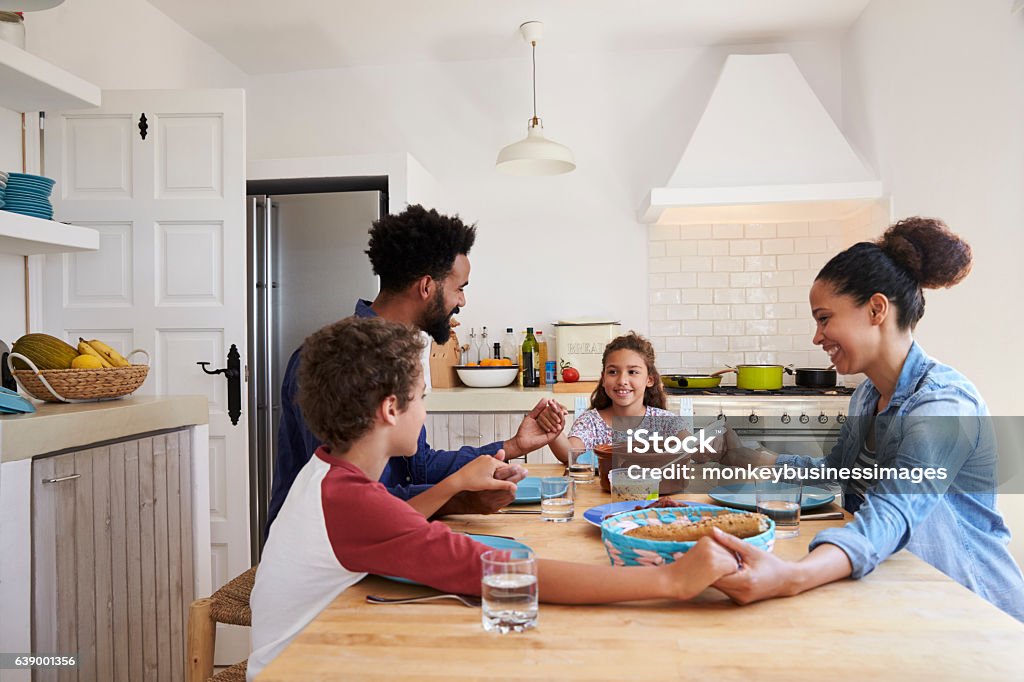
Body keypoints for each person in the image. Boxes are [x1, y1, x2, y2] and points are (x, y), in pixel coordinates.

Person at [247, 317, 740, 680]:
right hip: (302, 666)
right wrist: (669, 578)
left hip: (320, 655)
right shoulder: (352, 501)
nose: (425, 409)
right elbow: (499, 568)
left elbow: (390, 523)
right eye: (423, 397)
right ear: (391, 408)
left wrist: (457, 486)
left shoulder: (327, 470)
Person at [702, 217, 1024, 621]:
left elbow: (894, 509)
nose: (817, 337)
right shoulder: (867, 395)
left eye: (824, 318)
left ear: (876, 309)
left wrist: (792, 576)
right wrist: (762, 462)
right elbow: (842, 474)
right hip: (902, 592)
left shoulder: (943, 404)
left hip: (972, 608)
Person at [266, 205, 564, 534]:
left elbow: (416, 468)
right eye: (460, 288)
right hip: (323, 559)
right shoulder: (338, 360)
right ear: (427, 287)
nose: (462, 301)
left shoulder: (399, 356)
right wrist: (458, 497)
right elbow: (351, 502)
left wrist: (513, 446)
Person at [549, 332, 678, 463]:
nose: (622, 380)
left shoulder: (666, 422)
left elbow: (693, 450)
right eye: (613, 372)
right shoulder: (591, 422)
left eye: (633, 372)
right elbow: (570, 454)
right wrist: (554, 430)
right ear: (603, 379)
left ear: (649, 380)